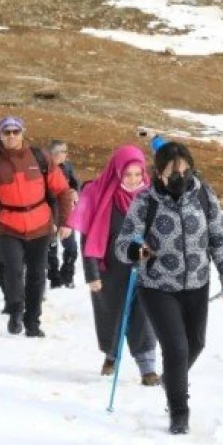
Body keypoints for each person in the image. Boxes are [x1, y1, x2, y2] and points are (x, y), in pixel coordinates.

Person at [114, 141, 223, 435]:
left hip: (196, 282)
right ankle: (179, 411)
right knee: (176, 347)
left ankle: (173, 380)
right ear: (158, 173)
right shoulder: (146, 201)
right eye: (173, 173)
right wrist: (136, 251)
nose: (180, 178)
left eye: (185, 171)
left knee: (196, 344)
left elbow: (218, 237)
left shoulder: (204, 195)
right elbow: (123, 244)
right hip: (157, 285)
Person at [0, 116, 74, 337]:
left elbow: (62, 190)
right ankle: (15, 310)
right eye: (6, 132)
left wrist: (65, 221)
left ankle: (33, 322)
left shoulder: (40, 157)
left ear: (22, 132)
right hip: (8, 226)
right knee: (13, 272)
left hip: (40, 225)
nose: (11, 136)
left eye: (15, 131)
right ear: (0, 135)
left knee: (37, 275)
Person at [68, 145, 160, 386]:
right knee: (113, 316)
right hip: (109, 271)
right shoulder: (97, 194)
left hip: (145, 268)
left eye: (138, 174)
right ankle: (112, 355)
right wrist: (91, 274)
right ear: (117, 171)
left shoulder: (153, 197)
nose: (133, 180)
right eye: (127, 174)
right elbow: (88, 238)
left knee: (145, 316)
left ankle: (147, 367)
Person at [46, 140, 81, 289]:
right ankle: (54, 277)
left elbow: (75, 183)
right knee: (51, 246)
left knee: (71, 246)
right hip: (48, 210)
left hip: (65, 210)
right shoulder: (43, 168)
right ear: (55, 153)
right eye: (64, 151)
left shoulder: (67, 166)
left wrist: (75, 192)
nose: (67, 154)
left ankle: (67, 275)